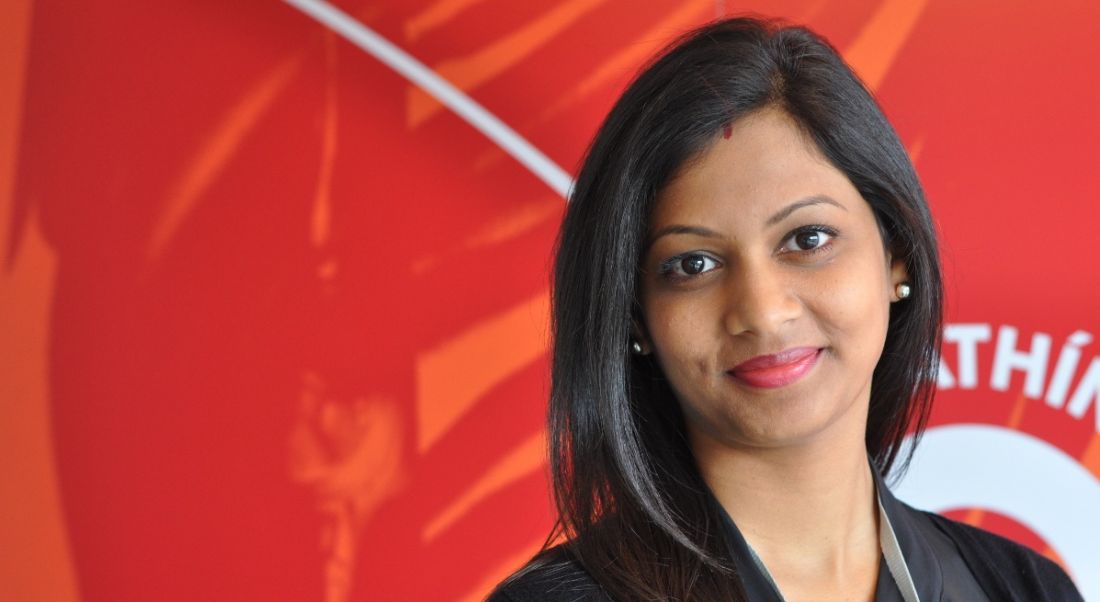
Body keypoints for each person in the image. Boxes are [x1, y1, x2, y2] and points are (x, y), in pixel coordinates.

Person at [489, 16, 1083, 602]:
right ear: (636, 317)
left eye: (807, 240)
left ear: (895, 257)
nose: (764, 313)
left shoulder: (1025, 588)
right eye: (693, 265)